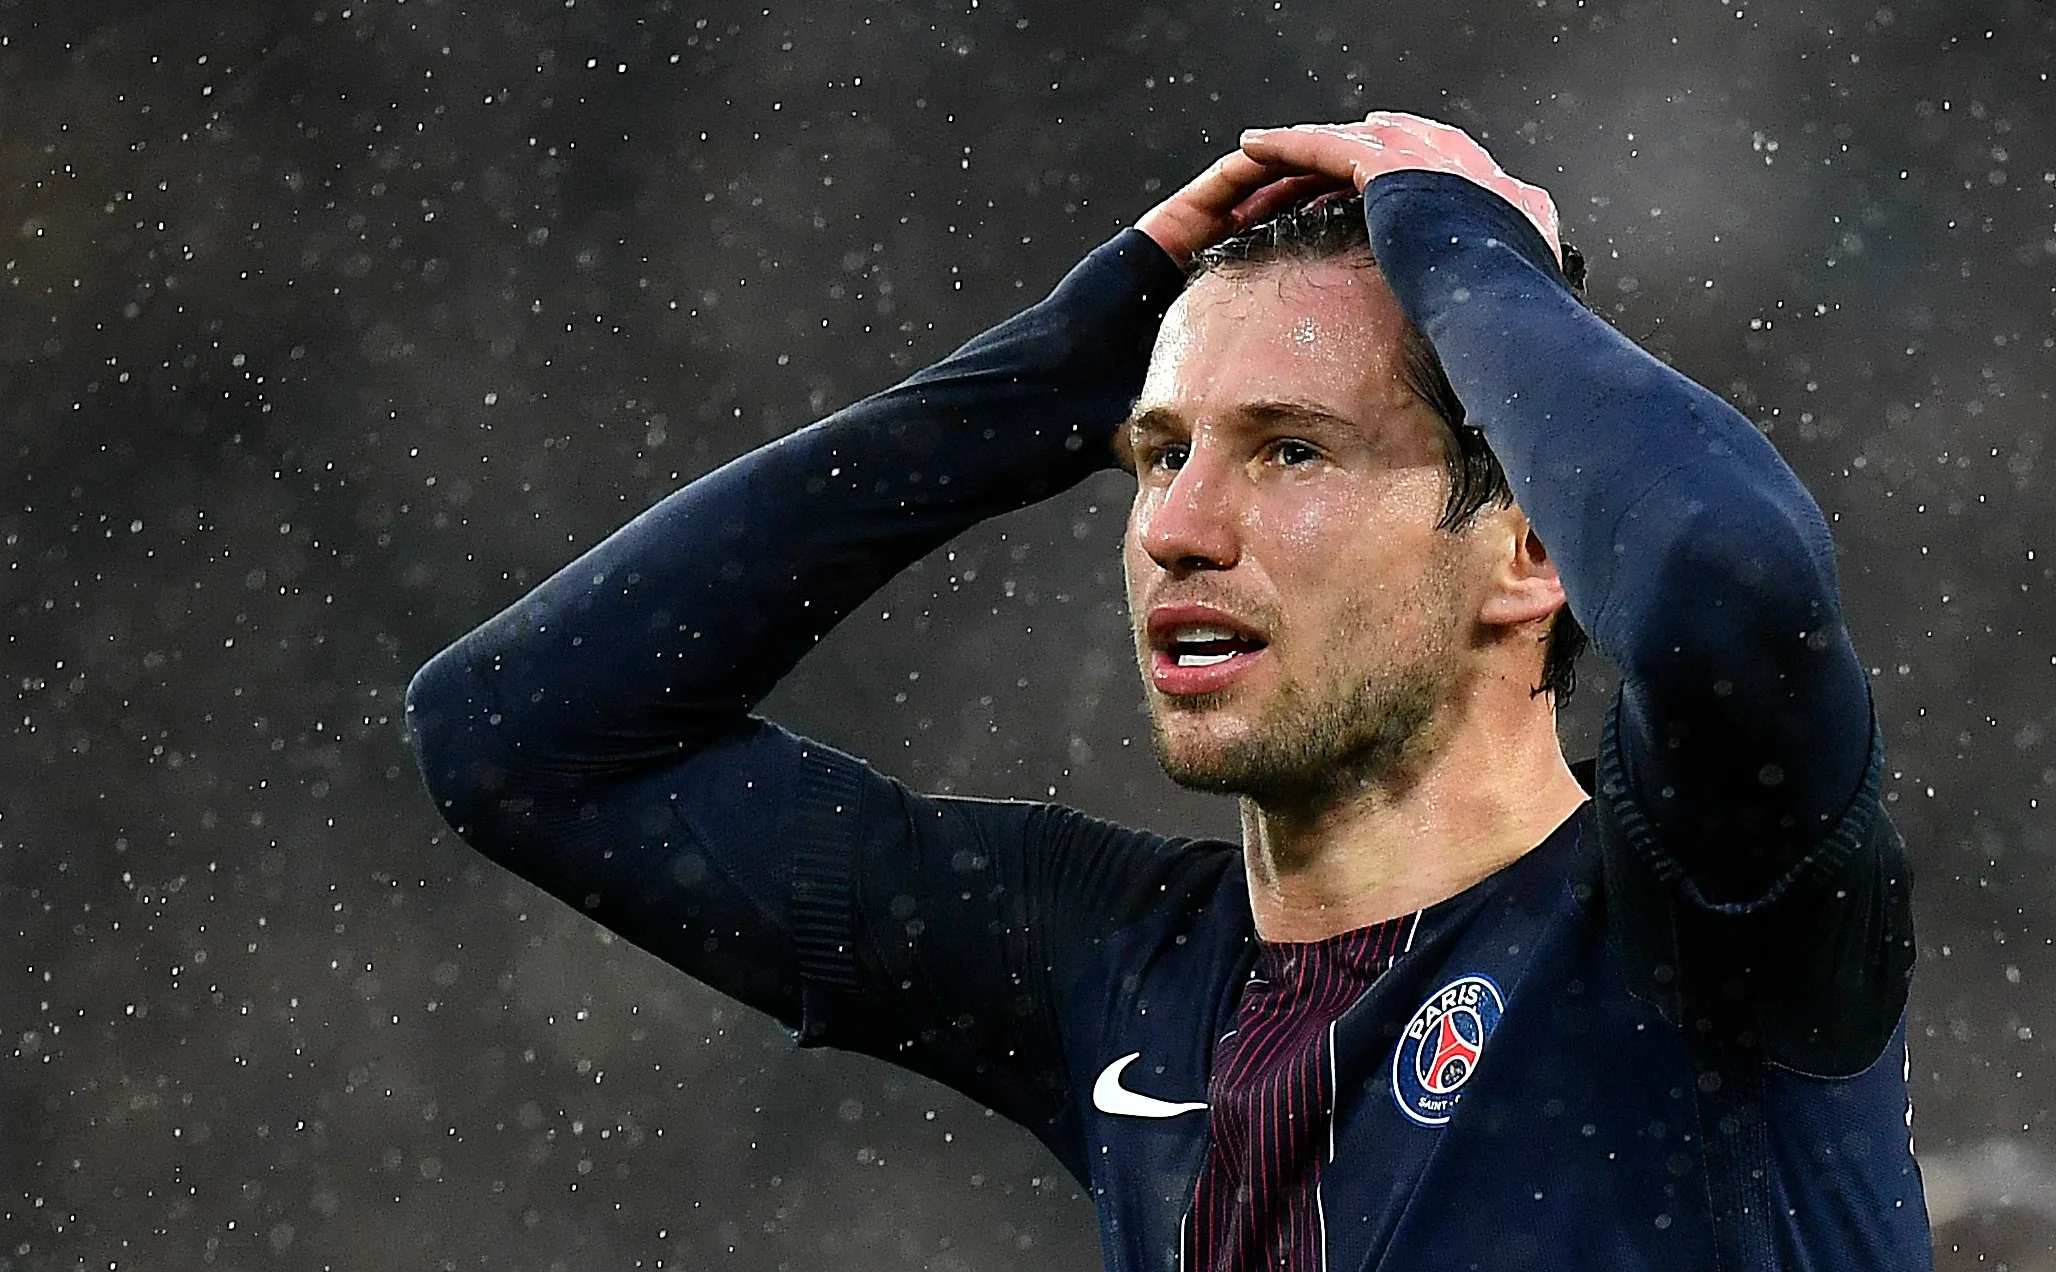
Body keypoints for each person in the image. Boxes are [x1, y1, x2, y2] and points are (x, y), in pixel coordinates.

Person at [405, 113, 1930, 1270]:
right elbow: (518, 738)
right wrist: (1046, 381)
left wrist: (1467, 253)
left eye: (1291, 450)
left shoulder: (1710, 913)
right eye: (1156, 454)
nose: (1178, 528)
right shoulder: (1118, 972)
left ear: (1530, 547)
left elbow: (1729, 584)